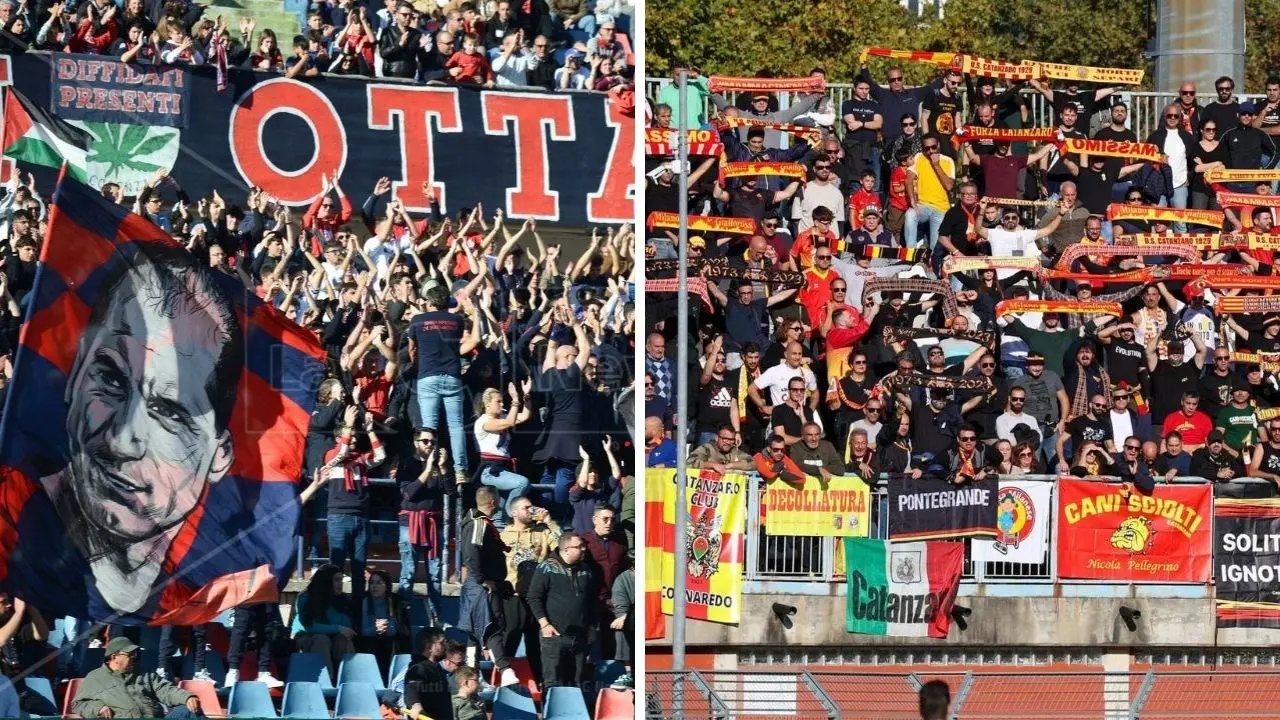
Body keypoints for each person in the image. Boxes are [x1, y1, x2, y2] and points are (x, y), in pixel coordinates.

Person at [0, 241, 248, 619]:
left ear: (220, 455)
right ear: (75, 377)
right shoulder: (9, 515)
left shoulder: (201, 583)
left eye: (168, 411)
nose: (122, 439)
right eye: (111, 381)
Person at [408, 285, 478, 485]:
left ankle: (431, 466)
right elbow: (462, 344)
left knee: (429, 426)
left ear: (429, 302)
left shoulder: (417, 320)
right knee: (456, 426)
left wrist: (418, 364)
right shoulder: (457, 320)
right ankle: (460, 470)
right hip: (452, 376)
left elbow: (412, 350)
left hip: (427, 376)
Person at [527, 532, 596, 688]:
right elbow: (533, 597)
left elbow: (591, 601)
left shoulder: (586, 569)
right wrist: (545, 624)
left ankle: (576, 712)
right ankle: (551, 711)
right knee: (553, 680)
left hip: (580, 636)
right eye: (579, 547)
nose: (584, 549)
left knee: (578, 681)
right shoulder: (547, 567)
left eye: (584, 546)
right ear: (566, 549)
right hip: (554, 634)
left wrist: (592, 626)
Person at [72, 637, 201, 719]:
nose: (134, 657)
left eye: (135, 654)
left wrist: (187, 697)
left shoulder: (145, 672)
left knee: (189, 711)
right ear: (114, 657)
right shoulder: (95, 678)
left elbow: (165, 689)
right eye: (130, 654)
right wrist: (97, 707)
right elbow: (79, 704)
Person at [458, 487, 511, 679]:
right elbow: (472, 553)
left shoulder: (481, 523)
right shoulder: (478, 524)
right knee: (492, 625)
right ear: (493, 502)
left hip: (478, 585)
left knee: (474, 631)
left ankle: (473, 676)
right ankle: (506, 671)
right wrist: (483, 579)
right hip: (481, 587)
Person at [290, 564, 356, 679]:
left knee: (343, 639)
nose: (340, 583)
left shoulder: (343, 599)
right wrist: (337, 628)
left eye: (341, 580)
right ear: (326, 581)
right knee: (321, 640)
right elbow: (309, 627)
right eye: (336, 580)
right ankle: (326, 681)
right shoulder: (305, 598)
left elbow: (347, 627)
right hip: (306, 638)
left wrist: (339, 627)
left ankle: (349, 679)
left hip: (332, 638)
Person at [404, 628, 452, 720]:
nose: (445, 646)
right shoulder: (418, 668)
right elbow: (411, 687)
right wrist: (415, 704)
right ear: (429, 647)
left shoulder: (436, 667)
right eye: (441, 643)